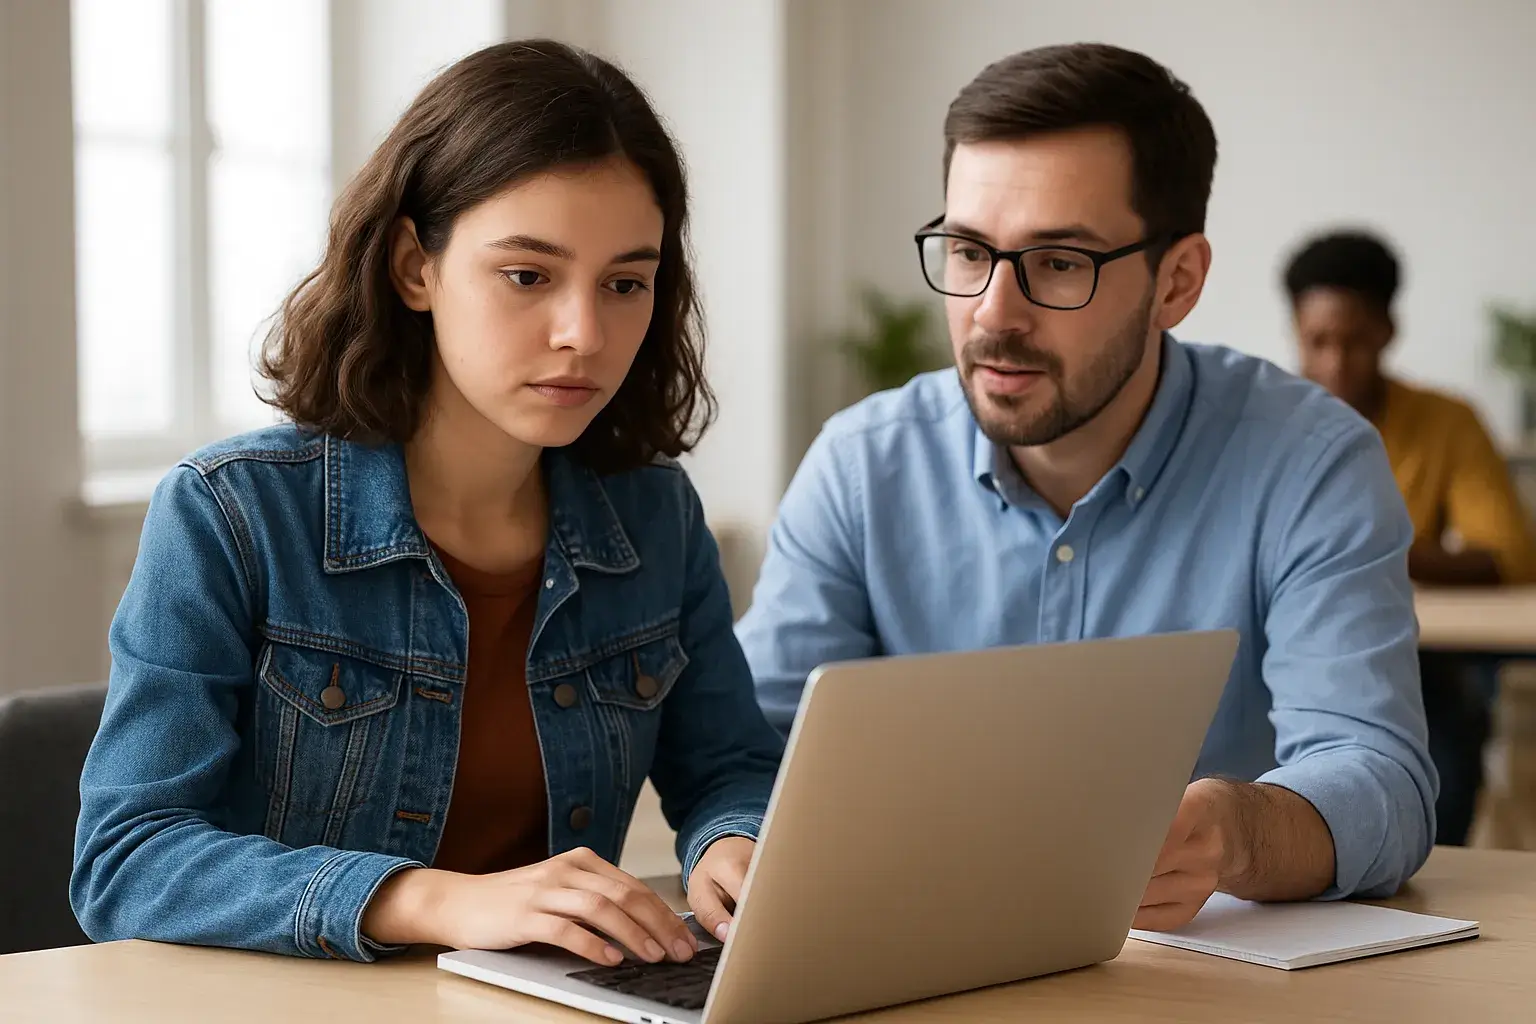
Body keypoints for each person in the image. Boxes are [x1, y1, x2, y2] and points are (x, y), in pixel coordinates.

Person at [71, 40, 783, 965]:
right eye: (529, 275)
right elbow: (126, 861)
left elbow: (729, 765)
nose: (585, 333)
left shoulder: (655, 520)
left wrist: (733, 841)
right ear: (416, 267)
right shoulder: (232, 515)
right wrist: (427, 901)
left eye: (625, 283)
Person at [737, 43, 1436, 931]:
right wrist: (737, 844)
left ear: (1176, 281)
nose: (993, 311)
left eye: (1059, 263)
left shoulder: (1311, 460)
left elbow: (1381, 777)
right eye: (966, 251)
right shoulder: (862, 464)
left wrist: (1237, 832)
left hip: (1197, 984)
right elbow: (745, 750)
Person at [1284, 228, 1535, 844]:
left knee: (1435, 726)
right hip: (1286, 644)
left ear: (1389, 331)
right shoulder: (1267, 421)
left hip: (1416, 655)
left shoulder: (1446, 421)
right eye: (1319, 341)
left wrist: (1368, 552)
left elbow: (1511, 556)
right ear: (1295, 330)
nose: (1337, 363)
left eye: (1356, 341)